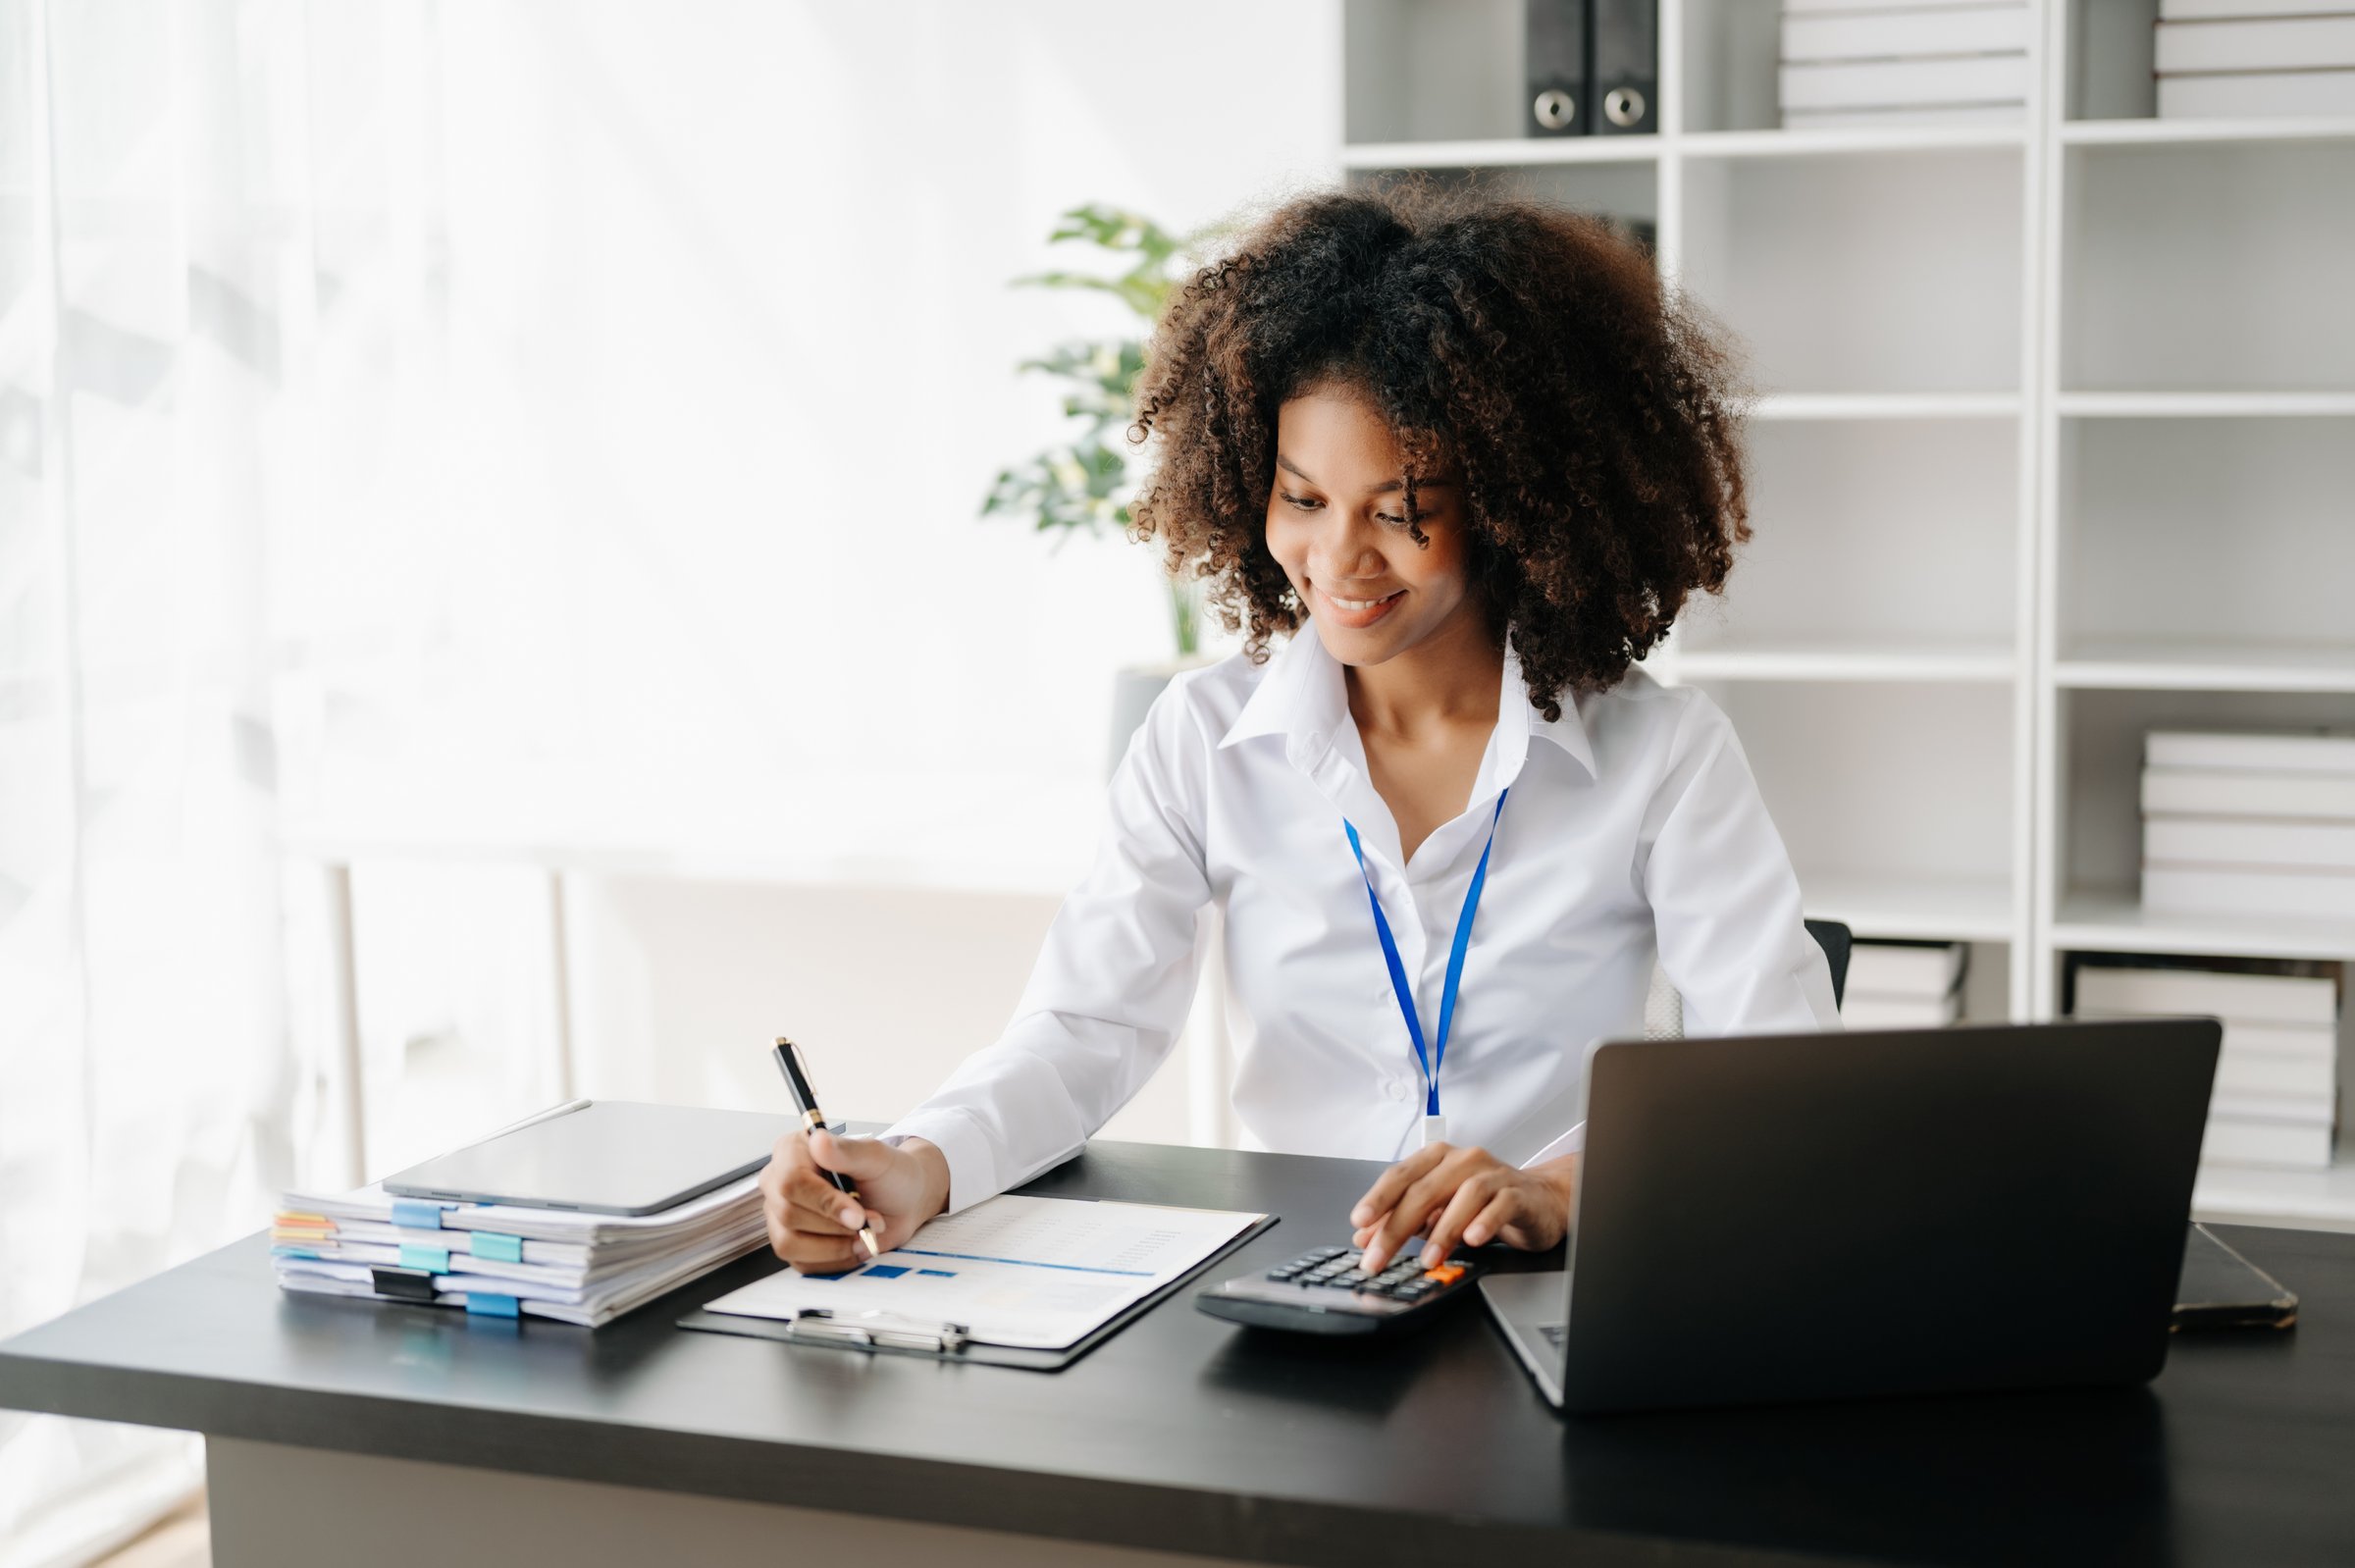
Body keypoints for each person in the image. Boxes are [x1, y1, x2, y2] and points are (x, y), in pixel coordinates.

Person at [760, 183, 1838, 1280]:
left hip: (1556, 1285)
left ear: (1515, 505)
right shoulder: (1202, 739)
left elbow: (1773, 1083)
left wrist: (1559, 1187)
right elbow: (1086, 1024)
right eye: (1304, 499)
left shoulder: (1663, 755)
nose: (1340, 558)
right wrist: (922, 1160)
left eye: (1398, 508)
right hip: (1300, 1290)